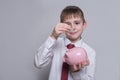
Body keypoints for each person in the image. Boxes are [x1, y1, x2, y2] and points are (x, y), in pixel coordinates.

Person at [34, 5, 96, 80]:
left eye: (76, 23)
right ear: (62, 26)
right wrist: (53, 36)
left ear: (84, 25)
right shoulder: (55, 43)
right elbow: (39, 63)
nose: (73, 28)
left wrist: (76, 72)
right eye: (68, 24)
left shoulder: (90, 52)